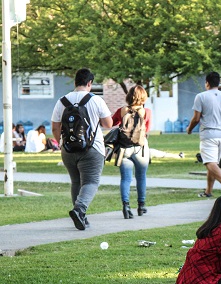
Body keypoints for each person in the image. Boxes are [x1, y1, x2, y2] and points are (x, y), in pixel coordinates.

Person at [51, 68, 113, 230]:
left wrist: (60, 144)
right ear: (89, 83)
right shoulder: (96, 100)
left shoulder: (62, 101)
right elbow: (108, 124)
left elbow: (55, 127)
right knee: (91, 181)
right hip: (92, 148)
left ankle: (80, 217)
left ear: (75, 82)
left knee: (76, 181)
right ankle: (79, 210)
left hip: (68, 149)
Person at [186, 72, 221, 198]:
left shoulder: (201, 96)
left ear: (207, 82)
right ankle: (208, 191)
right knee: (214, 163)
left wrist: (189, 129)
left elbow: (196, 118)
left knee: (209, 162)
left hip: (209, 133)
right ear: (219, 83)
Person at [111, 85, 151, 219]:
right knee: (141, 177)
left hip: (124, 149)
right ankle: (141, 206)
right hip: (141, 149)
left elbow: (111, 123)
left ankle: (126, 206)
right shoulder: (147, 112)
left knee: (125, 179)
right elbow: (147, 129)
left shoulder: (122, 110)